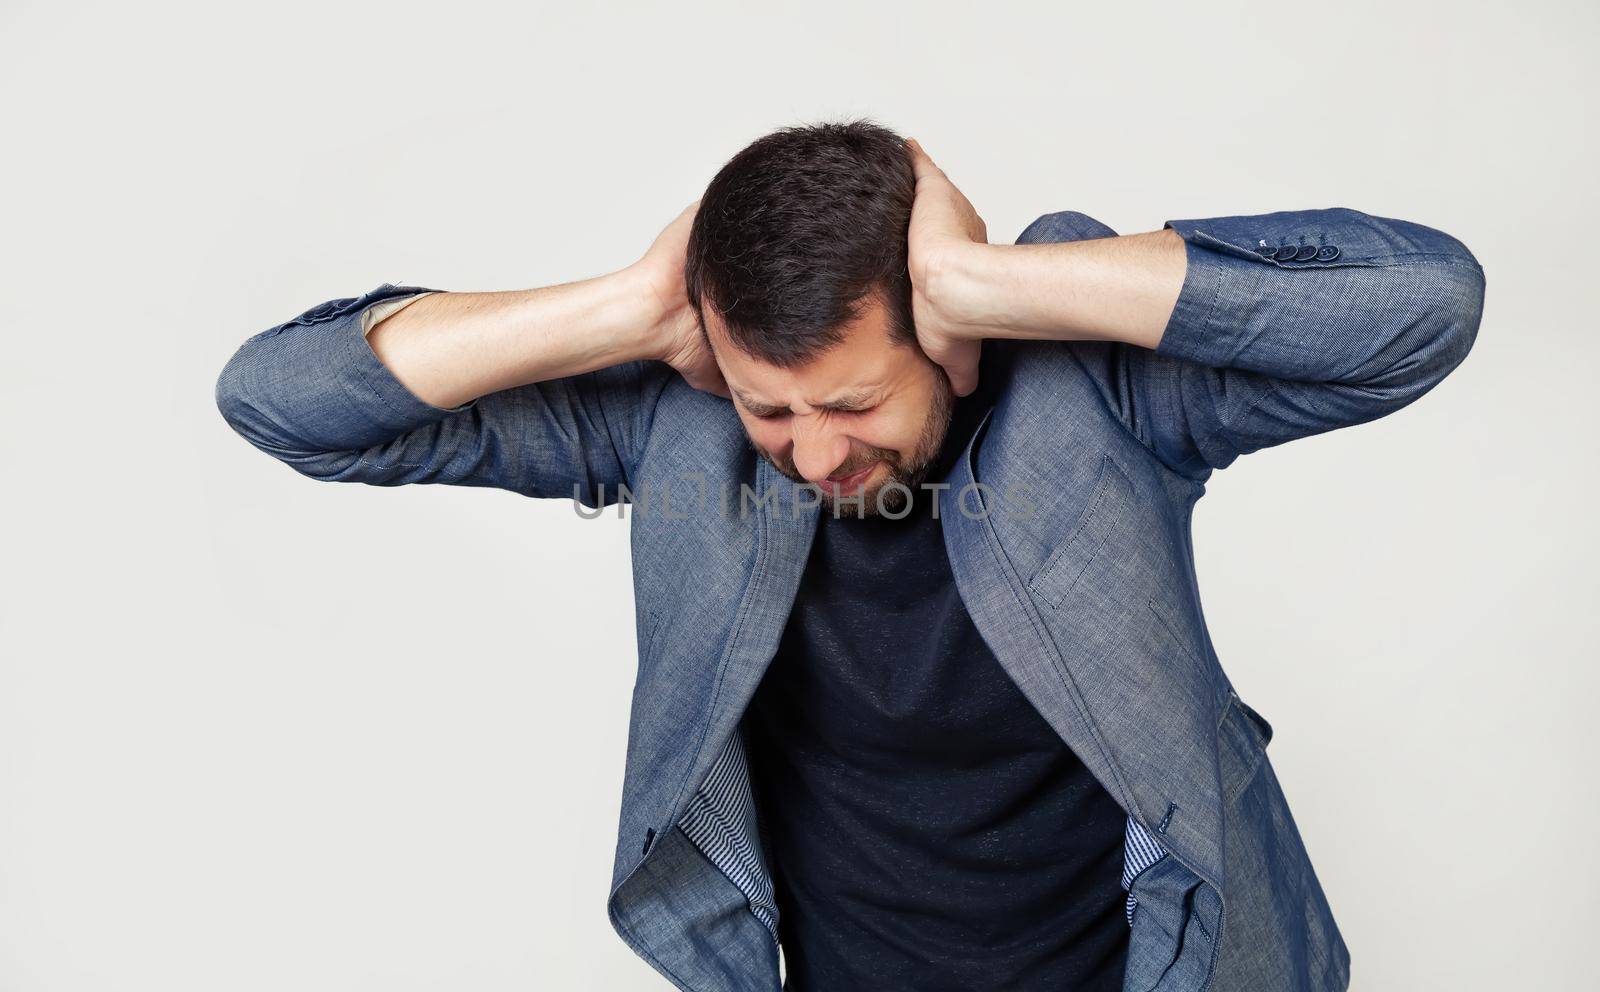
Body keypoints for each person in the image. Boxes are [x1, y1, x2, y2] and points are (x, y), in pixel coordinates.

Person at [215, 119, 1485, 992]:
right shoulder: (677, 411)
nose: (811, 453)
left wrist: (1000, 280)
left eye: (853, 403)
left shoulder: (1096, 396)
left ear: (946, 335)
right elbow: (282, 401)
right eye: (770, 409)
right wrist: (633, 307)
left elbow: (1423, 303)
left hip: (1157, 964)